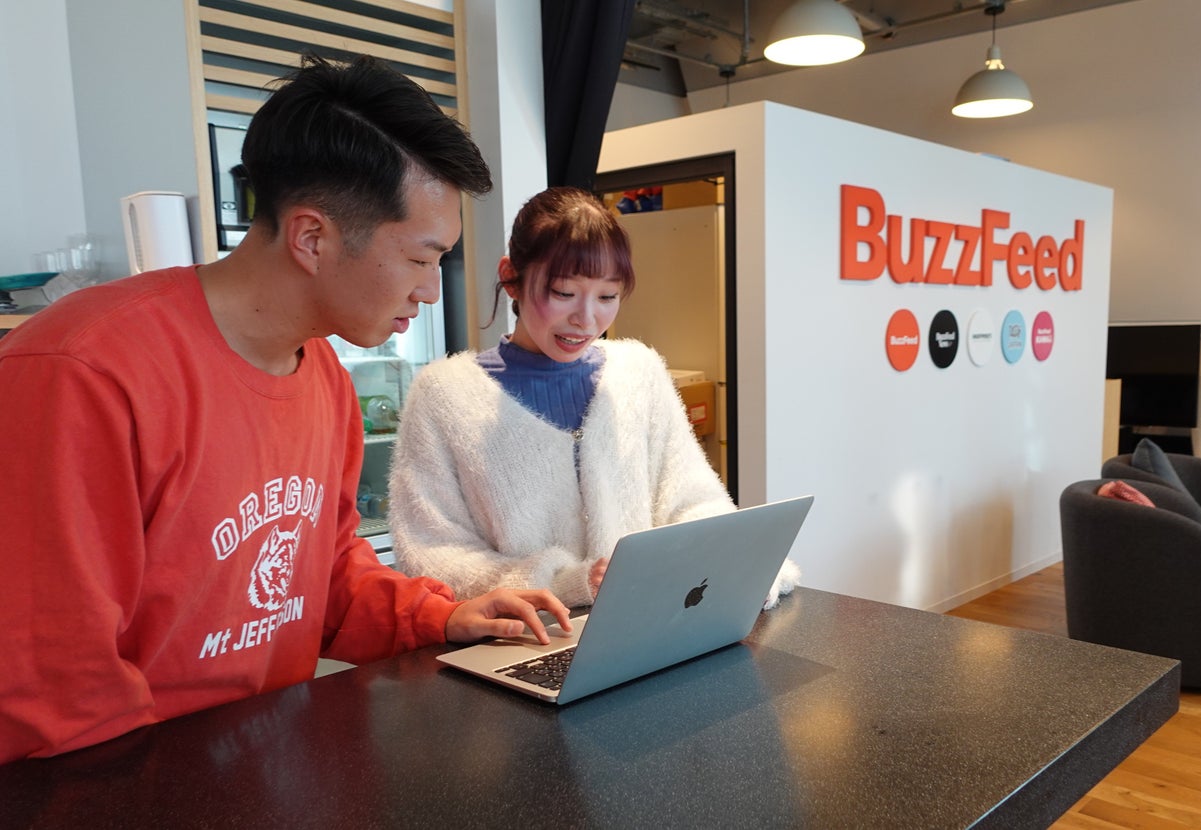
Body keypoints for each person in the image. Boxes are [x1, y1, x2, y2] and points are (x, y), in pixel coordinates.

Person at [0, 54, 570, 765]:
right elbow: (54, 681)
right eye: (422, 259)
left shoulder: (321, 372)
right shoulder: (82, 371)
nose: (430, 291)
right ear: (311, 237)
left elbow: (322, 571)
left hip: (276, 767)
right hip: (137, 783)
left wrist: (443, 617)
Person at [388, 186, 800, 608]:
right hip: (525, 635)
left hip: (649, 625)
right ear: (511, 277)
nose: (586, 320)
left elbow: (692, 500)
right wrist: (561, 582)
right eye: (564, 293)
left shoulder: (639, 372)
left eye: (607, 296)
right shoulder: (445, 395)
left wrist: (737, 567)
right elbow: (430, 553)